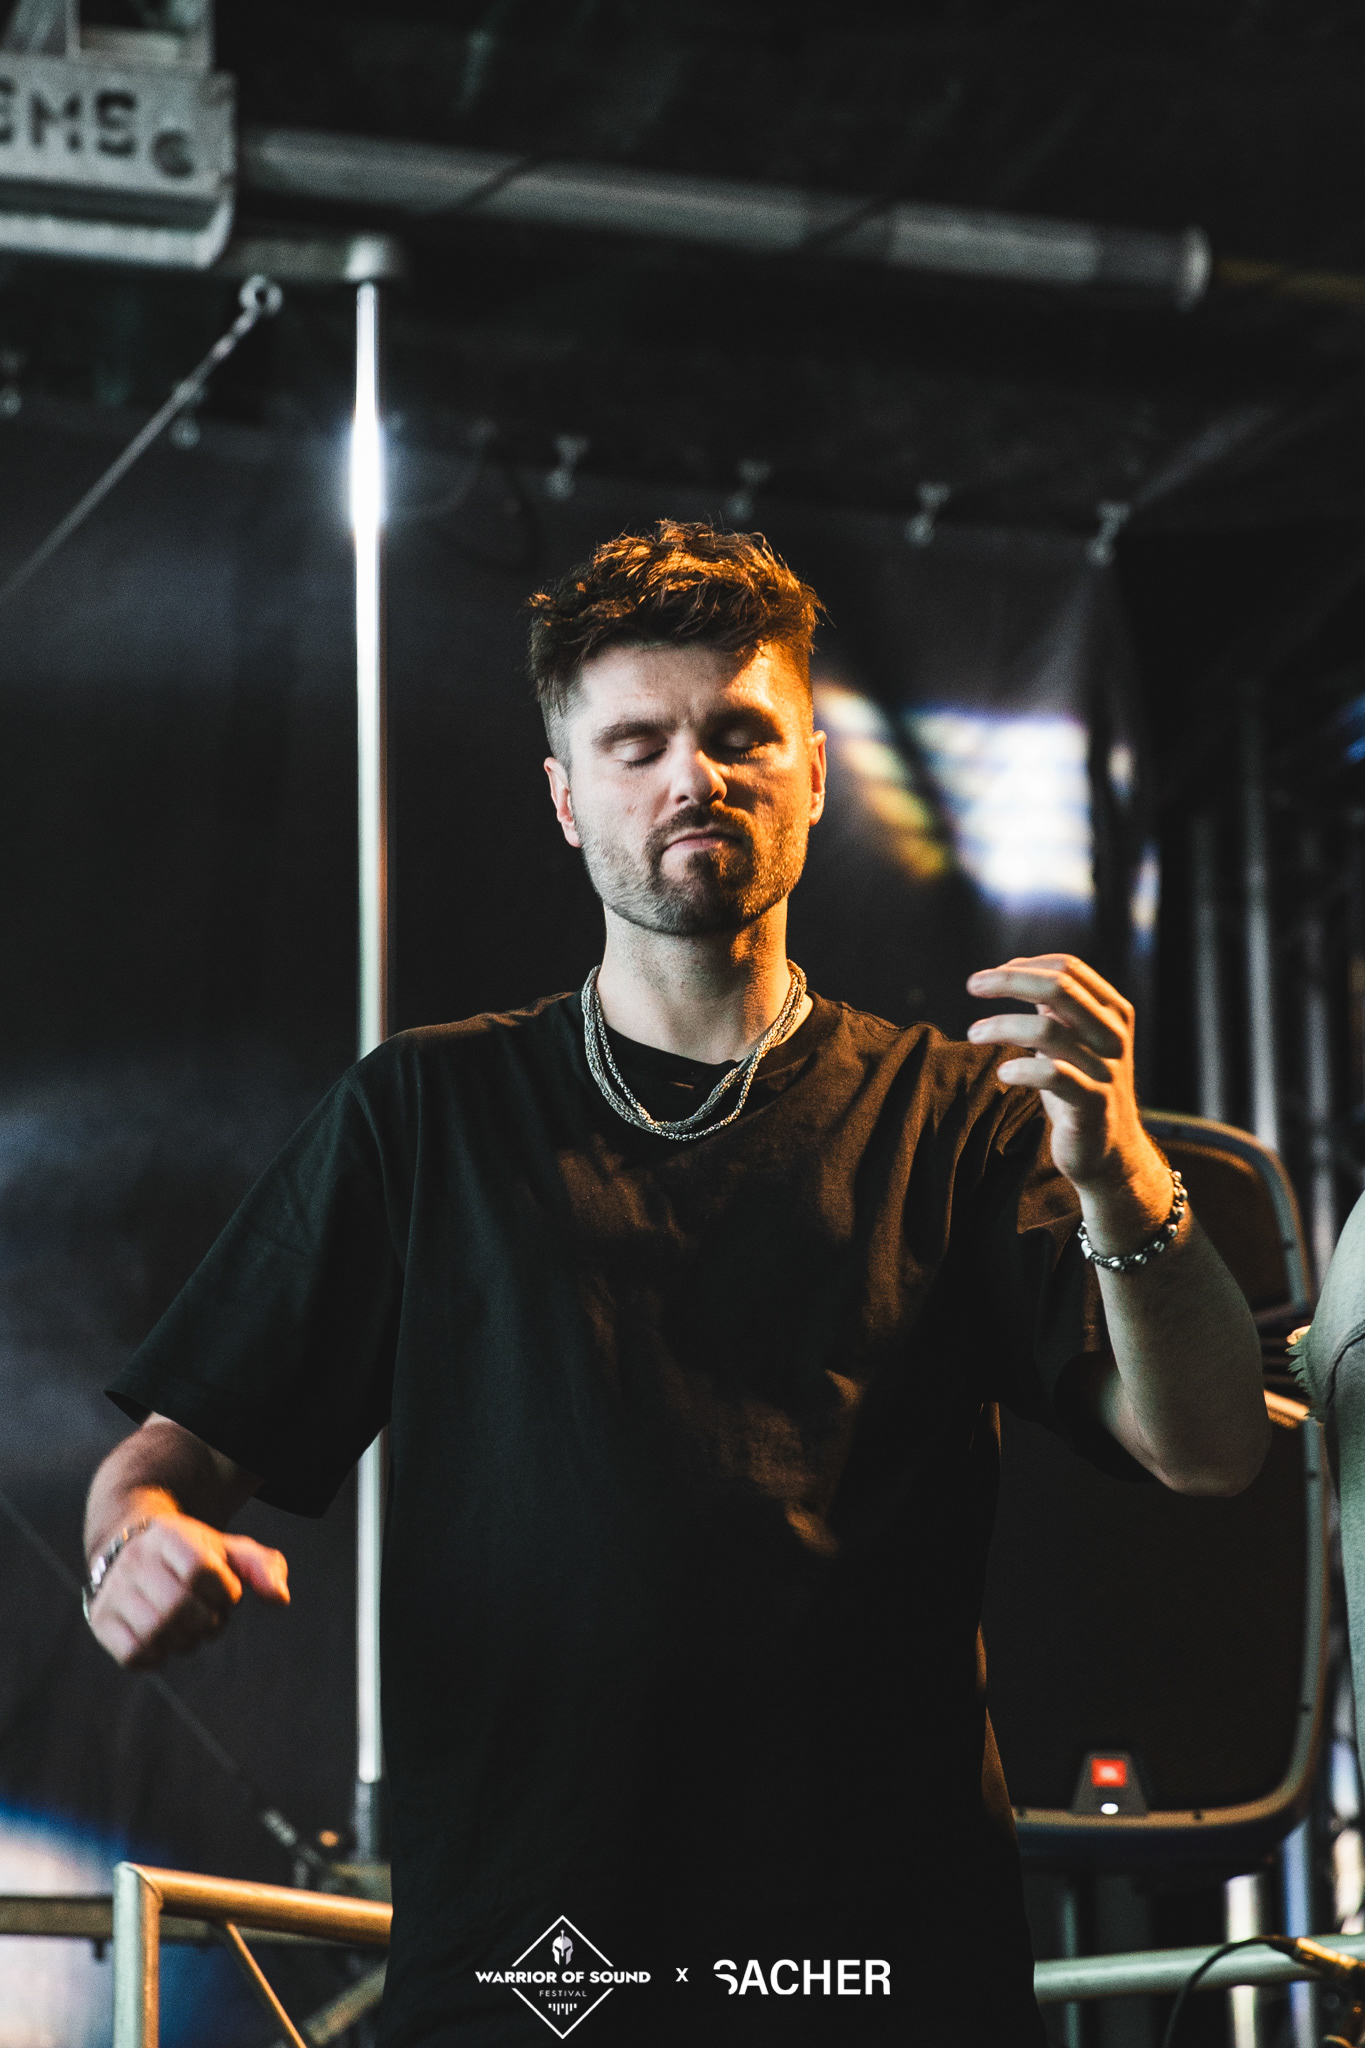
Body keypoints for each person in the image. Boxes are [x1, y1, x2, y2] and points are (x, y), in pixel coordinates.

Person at [84, 522, 1268, 2046]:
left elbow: (1208, 1444)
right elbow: (166, 1463)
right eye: (634, 745)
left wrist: (1120, 1173)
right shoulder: (426, 1113)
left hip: (877, 1975)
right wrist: (137, 1543)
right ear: (565, 798)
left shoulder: (955, 1120)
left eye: (738, 735)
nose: (690, 778)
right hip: (531, 1972)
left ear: (813, 772)